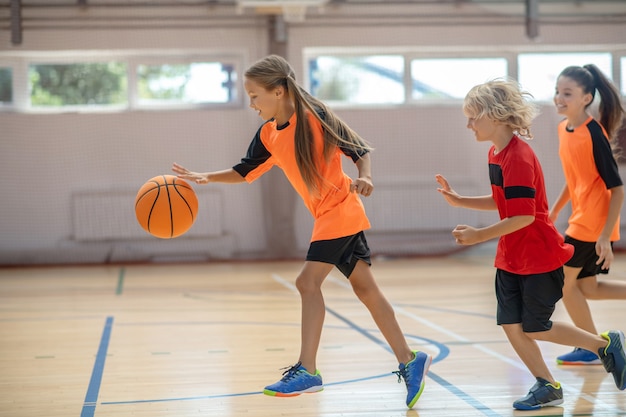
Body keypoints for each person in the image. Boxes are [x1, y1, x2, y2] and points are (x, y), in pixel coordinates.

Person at [172, 54, 431, 409]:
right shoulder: (267, 134)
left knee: (307, 283)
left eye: (254, 95)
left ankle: (308, 369)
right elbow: (246, 170)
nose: (251, 103)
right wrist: (206, 176)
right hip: (331, 215)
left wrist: (366, 177)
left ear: (278, 92)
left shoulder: (315, 118)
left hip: (340, 211)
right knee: (366, 289)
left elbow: (358, 150)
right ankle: (409, 358)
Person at [435, 79, 626, 410]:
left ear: (494, 116)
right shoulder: (496, 152)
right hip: (510, 256)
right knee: (511, 324)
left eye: (472, 117)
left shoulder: (519, 157)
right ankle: (547, 385)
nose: (468, 125)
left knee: (537, 327)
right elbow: (505, 202)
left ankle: (604, 346)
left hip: (538, 255)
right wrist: (460, 200)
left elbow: (523, 217)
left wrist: (478, 236)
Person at [550, 64, 626, 366]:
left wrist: (605, 237)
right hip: (580, 217)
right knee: (587, 288)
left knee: (563, 284)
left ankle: (593, 347)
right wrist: (555, 209)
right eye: (558, 91)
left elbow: (617, 189)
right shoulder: (563, 128)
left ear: (586, 98)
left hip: (592, 222)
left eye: (567, 93)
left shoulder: (594, 133)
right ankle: (593, 346)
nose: (559, 98)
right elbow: (575, 177)